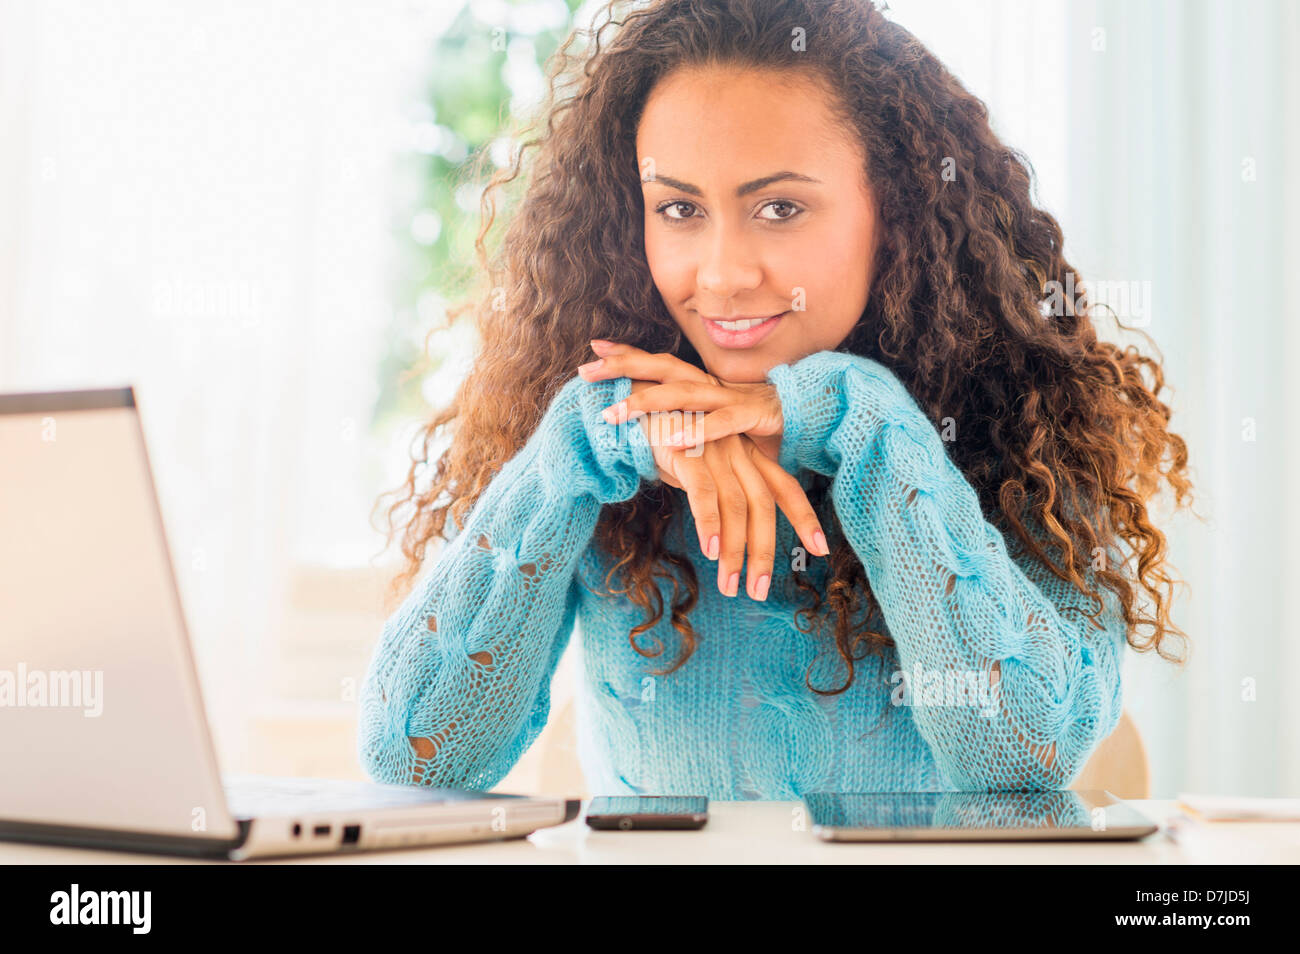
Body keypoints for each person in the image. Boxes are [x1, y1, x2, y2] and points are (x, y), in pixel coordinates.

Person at [358, 0, 1193, 799]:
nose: (722, 274)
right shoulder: (599, 436)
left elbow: (1023, 750)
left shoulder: (1021, 428)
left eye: (780, 208)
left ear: (894, 211)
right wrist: (582, 451)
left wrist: (863, 421)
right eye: (679, 208)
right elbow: (417, 756)